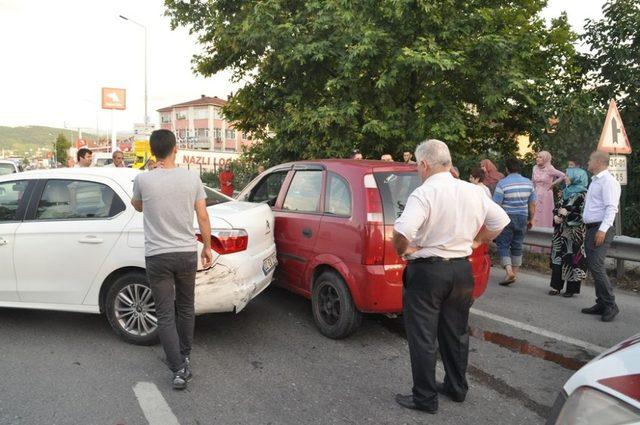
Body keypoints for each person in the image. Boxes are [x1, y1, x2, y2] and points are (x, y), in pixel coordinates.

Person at [393, 139, 510, 414]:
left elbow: (402, 234)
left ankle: (424, 398)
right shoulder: (473, 191)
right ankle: (457, 388)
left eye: (417, 167)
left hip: (428, 272)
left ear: (424, 164)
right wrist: (477, 242)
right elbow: (501, 221)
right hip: (461, 269)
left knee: (423, 336)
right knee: (456, 333)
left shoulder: (424, 194)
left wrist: (405, 250)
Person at [131, 129, 213, 390]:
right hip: (186, 252)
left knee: (165, 313)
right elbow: (202, 215)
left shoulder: (143, 180)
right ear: (175, 148)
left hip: (158, 255)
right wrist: (207, 246)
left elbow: (138, 205)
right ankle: (184, 356)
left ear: (152, 152)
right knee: (186, 307)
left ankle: (178, 369)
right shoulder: (192, 178)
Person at [581, 150, 621, 322]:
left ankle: (611, 305)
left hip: (600, 228)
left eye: (590, 159)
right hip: (592, 228)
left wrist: (603, 230)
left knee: (596, 266)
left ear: (598, 161)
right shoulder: (596, 181)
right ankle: (602, 303)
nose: (588, 162)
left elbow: (611, 208)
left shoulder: (608, 181)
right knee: (592, 265)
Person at [493, 158, 536, 286]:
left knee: (503, 244)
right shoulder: (529, 183)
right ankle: (513, 275)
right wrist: (531, 219)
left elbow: (496, 204)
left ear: (507, 169)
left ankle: (509, 271)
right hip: (522, 217)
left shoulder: (502, 183)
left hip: (506, 217)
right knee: (517, 245)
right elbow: (532, 204)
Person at [548, 165, 589, 297]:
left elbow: (584, 215)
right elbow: (557, 207)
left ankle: (571, 289)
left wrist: (568, 215)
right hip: (560, 232)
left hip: (574, 233)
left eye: (568, 175)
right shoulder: (565, 191)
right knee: (557, 258)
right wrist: (556, 216)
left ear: (576, 177)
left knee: (572, 259)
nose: (565, 177)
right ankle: (556, 286)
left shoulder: (584, 194)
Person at [532, 151, 565, 228]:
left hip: (546, 194)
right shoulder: (534, 168)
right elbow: (533, 181)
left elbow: (562, 175)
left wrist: (552, 184)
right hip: (536, 193)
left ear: (545, 159)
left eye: (540, 157)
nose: (537, 159)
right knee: (535, 212)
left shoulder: (550, 168)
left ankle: (545, 232)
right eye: (537, 157)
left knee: (544, 213)